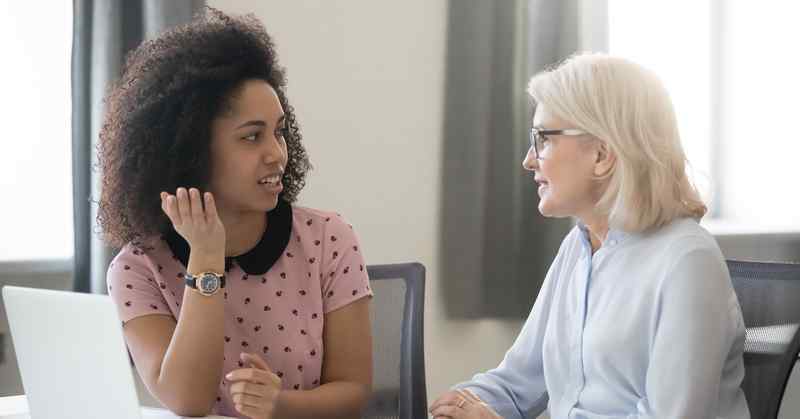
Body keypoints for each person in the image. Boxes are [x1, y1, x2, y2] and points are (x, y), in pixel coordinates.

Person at [430, 53, 749, 419]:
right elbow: (519, 382)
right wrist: (457, 405)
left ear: (601, 154)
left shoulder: (688, 261)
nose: (528, 161)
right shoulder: (579, 246)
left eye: (543, 139)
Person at [98, 8, 372, 419]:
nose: (276, 154)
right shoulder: (137, 269)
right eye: (251, 137)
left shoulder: (329, 238)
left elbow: (354, 392)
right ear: (190, 151)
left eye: (279, 132)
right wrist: (206, 256)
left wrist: (281, 405)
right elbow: (188, 401)